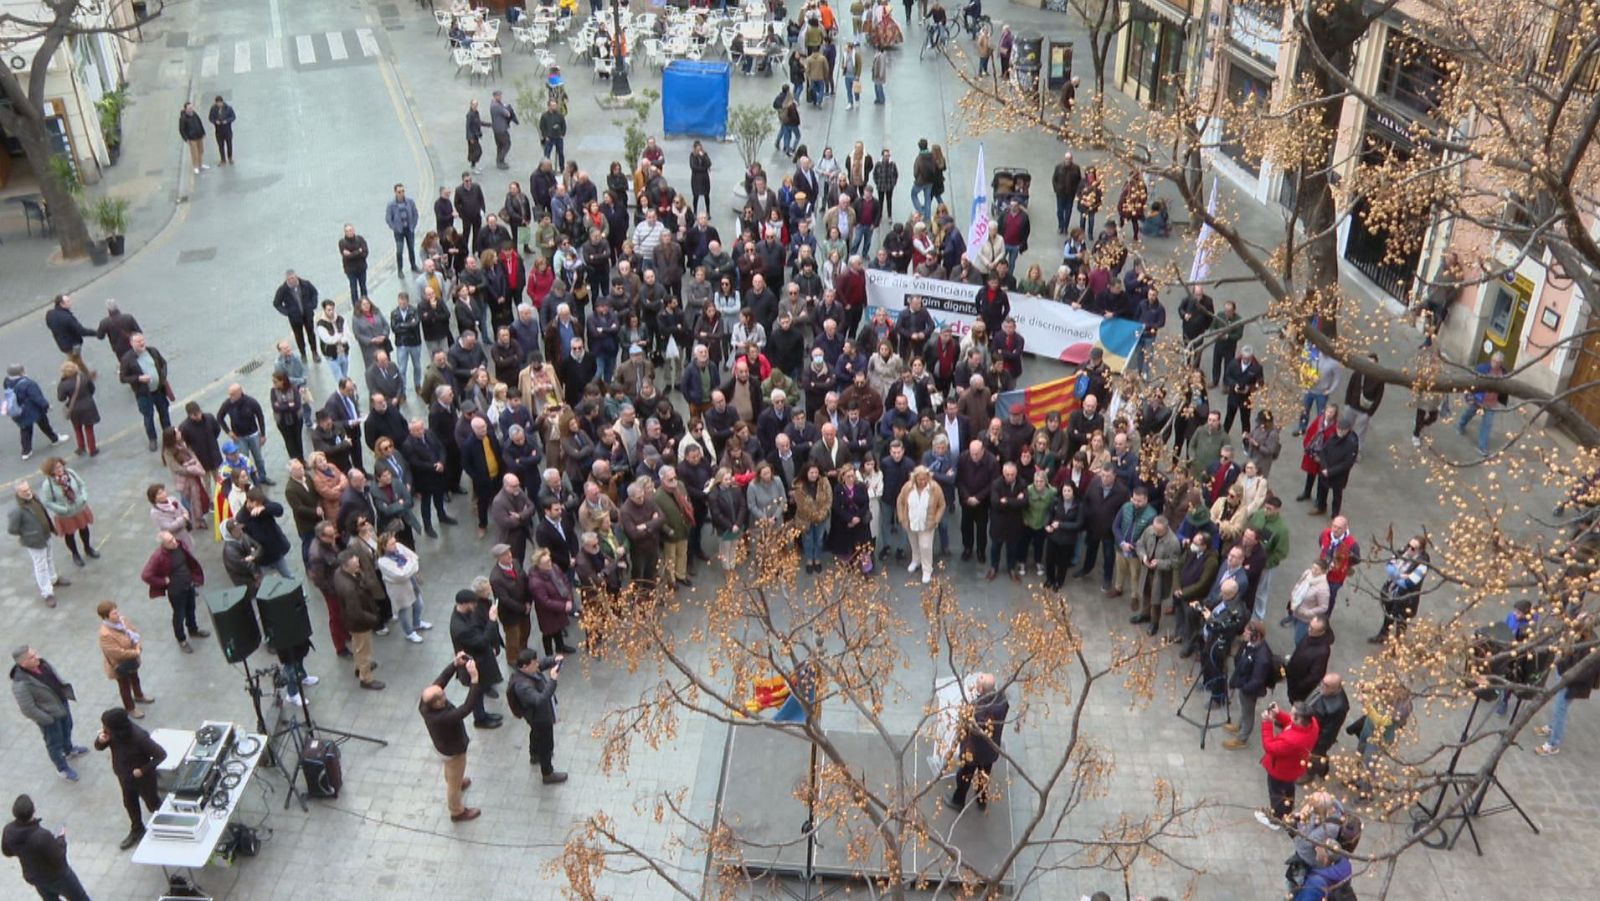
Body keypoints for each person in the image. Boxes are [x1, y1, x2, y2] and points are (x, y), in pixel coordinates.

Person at [419, 652, 487, 822]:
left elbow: (440, 681)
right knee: (454, 776)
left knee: (451, 771)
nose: (444, 694)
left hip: (442, 746)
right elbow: (466, 708)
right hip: (453, 750)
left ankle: (455, 780)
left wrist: (454, 665)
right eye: (442, 696)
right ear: (437, 703)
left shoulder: (425, 704)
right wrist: (475, 679)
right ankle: (457, 811)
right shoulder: (443, 717)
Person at [93, 706, 167, 850]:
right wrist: (100, 741)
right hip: (124, 777)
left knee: (153, 804)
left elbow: (161, 755)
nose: (104, 728)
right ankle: (137, 829)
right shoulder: (112, 733)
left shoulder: (139, 737)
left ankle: (166, 825)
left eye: (106, 726)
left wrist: (143, 770)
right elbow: (98, 747)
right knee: (129, 803)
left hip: (143, 780)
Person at [9, 646, 88, 781]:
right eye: (32, 657)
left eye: (35, 654)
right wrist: (47, 719)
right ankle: (62, 768)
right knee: (54, 743)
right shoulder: (21, 684)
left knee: (67, 728)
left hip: (61, 705)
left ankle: (68, 749)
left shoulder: (43, 664)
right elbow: (27, 708)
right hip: (49, 717)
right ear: (23, 663)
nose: (36, 658)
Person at [2, 794, 91, 901]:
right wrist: (61, 839)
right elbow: (59, 857)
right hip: (59, 876)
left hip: (36, 876)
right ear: (33, 810)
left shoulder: (9, 831)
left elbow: (7, 852)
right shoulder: (41, 836)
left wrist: (23, 852)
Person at [1533, 613, 1599, 757]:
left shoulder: (1590, 646)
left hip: (1571, 681)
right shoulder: (1575, 635)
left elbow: (1586, 671)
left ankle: (1553, 744)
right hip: (1563, 672)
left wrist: (1568, 679)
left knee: (1560, 709)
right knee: (1558, 705)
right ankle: (1551, 728)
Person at [139, 531, 210, 653]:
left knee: (191, 609)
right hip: (176, 591)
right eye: (170, 541)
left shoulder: (179, 545)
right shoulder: (158, 556)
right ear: (163, 545)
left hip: (188, 585)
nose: (174, 542)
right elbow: (146, 575)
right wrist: (163, 581)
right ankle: (181, 639)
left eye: (173, 538)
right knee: (179, 615)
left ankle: (193, 629)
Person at [947, 672, 1008, 810]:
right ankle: (982, 801)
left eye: (979, 682)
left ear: (980, 690)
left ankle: (958, 801)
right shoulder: (1002, 701)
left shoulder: (977, 709)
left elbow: (970, 727)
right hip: (991, 749)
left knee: (964, 776)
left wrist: (966, 713)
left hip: (973, 751)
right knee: (984, 775)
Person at [508, 649, 568, 784]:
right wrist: (552, 680)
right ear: (524, 666)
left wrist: (554, 660)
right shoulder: (522, 686)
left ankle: (534, 754)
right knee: (546, 743)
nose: (537, 665)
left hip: (535, 717)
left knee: (535, 733)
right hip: (539, 717)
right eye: (534, 664)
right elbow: (540, 700)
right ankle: (547, 773)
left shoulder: (528, 670)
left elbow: (542, 663)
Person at [1256, 701, 1319, 829]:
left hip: (1280, 771)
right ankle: (1288, 811)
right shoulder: (1313, 725)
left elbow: (1270, 747)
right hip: (1294, 768)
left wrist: (1267, 723)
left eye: (1292, 713)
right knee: (1289, 790)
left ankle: (1276, 819)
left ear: (1300, 719)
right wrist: (1278, 714)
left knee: (1276, 793)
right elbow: (1291, 724)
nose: (1289, 714)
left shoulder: (1292, 741)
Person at [333, 549, 386, 690]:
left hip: (351, 622)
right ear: (346, 566)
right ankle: (366, 678)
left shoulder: (339, 574)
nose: (358, 563)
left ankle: (359, 667)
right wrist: (374, 619)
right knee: (364, 651)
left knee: (357, 645)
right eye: (355, 564)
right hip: (359, 624)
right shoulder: (349, 588)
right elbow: (356, 612)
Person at [1222, 621, 1274, 750]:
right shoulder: (1249, 643)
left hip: (1249, 689)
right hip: (1244, 682)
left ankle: (1242, 738)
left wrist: (1245, 689)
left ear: (1256, 636)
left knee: (1248, 712)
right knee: (1244, 708)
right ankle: (1239, 725)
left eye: (1247, 632)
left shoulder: (1263, 657)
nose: (1244, 634)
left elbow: (1257, 680)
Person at [96, 601, 153, 719]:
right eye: (114, 613)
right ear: (106, 616)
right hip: (120, 664)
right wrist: (135, 652)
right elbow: (116, 653)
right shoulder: (105, 634)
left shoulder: (123, 621)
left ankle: (139, 695)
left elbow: (134, 632)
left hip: (131, 658)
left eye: (117, 611)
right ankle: (130, 708)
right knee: (124, 686)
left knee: (135, 678)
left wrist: (137, 645)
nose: (118, 615)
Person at [118, 333, 172, 452]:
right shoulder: (127, 359)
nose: (141, 343)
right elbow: (123, 378)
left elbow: (163, 364)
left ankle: (169, 436)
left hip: (158, 390)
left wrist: (162, 377)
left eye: (142, 340)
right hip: (144, 394)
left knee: (164, 413)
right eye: (138, 341)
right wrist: (138, 378)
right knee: (148, 416)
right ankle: (152, 439)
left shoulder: (152, 351)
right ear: (131, 344)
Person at [1373, 535, 1429, 643]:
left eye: (1413, 548)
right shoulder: (1403, 551)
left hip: (1406, 598)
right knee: (1388, 614)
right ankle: (1383, 635)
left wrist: (1395, 576)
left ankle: (1398, 646)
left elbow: (1408, 583)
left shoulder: (1422, 565)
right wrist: (1398, 575)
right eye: (1409, 545)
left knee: (1401, 623)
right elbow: (1389, 564)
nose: (1409, 549)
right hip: (1392, 591)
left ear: (1420, 550)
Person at [5, 364, 65, 461]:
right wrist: (46, 405)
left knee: (25, 430)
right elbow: (37, 397)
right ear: (21, 372)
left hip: (19, 411)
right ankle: (54, 439)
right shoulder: (28, 384)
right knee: (44, 424)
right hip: (33, 410)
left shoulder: (7, 382)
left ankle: (26, 451)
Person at [1455, 350, 1508, 456]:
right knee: (1469, 413)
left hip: (1491, 403)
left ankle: (1482, 447)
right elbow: (1473, 382)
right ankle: (1460, 425)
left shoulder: (1503, 373)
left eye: (1497, 362)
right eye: (1493, 360)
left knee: (1487, 424)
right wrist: (1470, 395)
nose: (1494, 363)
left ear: (1501, 363)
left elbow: (1505, 386)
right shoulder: (1483, 368)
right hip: (1479, 399)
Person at [1302, 673, 1350, 780]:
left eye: (1326, 685)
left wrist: (1320, 743)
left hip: (1318, 738)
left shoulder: (1339, 707)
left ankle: (1315, 772)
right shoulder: (1324, 691)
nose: (1321, 686)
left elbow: (1330, 731)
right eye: (1322, 683)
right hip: (1310, 729)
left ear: (1334, 689)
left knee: (1316, 756)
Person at [178, 100, 207, 175]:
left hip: (199, 136)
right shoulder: (183, 119)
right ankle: (196, 167)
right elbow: (181, 130)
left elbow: (199, 123)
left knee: (201, 151)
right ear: (185, 109)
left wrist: (203, 132)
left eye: (191, 107)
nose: (191, 109)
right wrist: (186, 139)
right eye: (189, 108)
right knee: (195, 153)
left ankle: (200, 164)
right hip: (192, 138)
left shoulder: (194, 114)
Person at [208, 94, 236, 164]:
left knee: (229, 144)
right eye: (217, 103)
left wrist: (227, 121)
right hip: (218, 131)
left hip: (227, 130)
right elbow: (210, 118)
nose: (219, 104)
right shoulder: (213, 109)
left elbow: (233, 117)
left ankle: (230, 157)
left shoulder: (228, 108)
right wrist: (215, 121)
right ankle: (223, 159)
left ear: (222, 102)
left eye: (220, 103)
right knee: (220, 145)